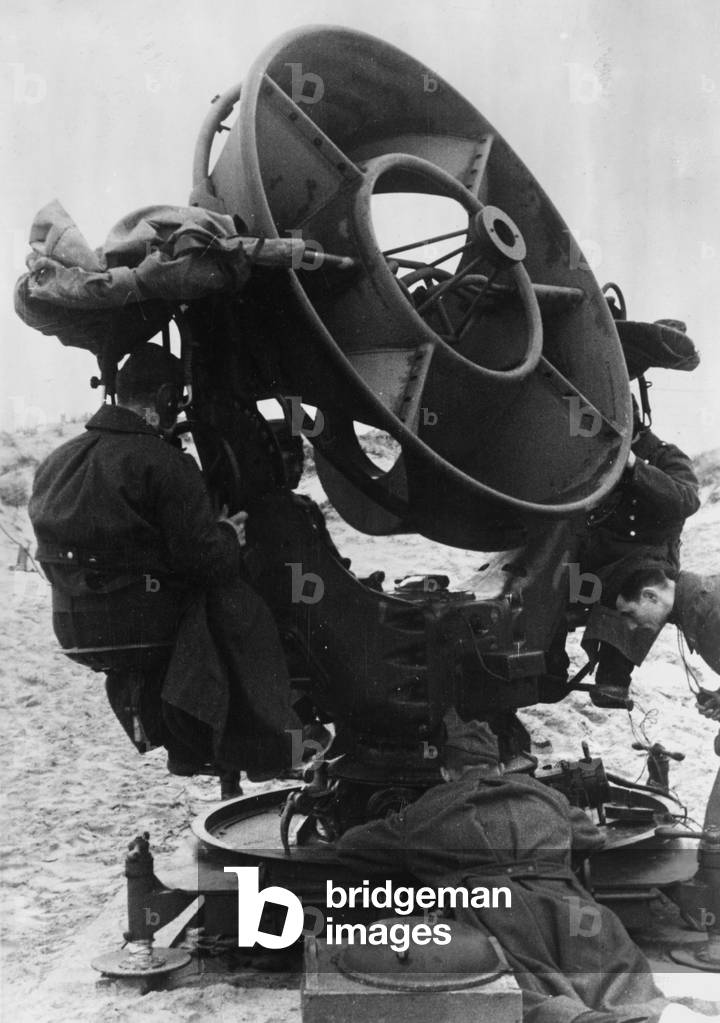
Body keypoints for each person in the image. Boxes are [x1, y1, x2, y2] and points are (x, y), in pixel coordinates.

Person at [29, 343, 303, 780]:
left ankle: (193, 744)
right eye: (177, 402)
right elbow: (209, 563)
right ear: (163, 399)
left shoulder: (55, 461)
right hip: (141, 626)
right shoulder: (164, 463)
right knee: (242, 608)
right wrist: (228, 534)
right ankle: (270, 745)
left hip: (76, 629)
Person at [336, 711, 706, 1023]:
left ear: (447, 773)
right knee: (614, 968)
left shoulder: (428, 810)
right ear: (500, 765)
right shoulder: (545, 795)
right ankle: (656, 1015)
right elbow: (592, 838)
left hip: (492, 911)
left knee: (516, 984)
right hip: (570, 907)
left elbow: (353, 846)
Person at [578, 412, 700, 708]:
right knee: (553, 581)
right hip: (601, 561)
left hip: (650, 560)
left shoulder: (666, 457)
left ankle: (614, 677)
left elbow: (686, 499)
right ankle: (547, 664)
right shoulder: (593, 454)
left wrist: (634, 466)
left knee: (638, 586)